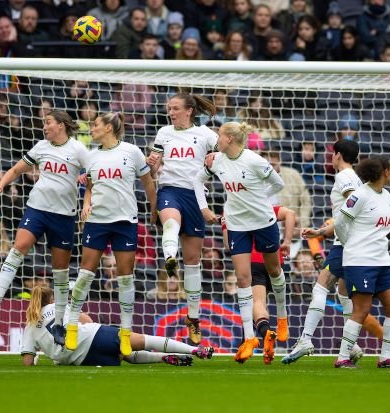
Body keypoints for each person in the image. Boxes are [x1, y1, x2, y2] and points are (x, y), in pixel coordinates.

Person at [0, 110, 88, 348]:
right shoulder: (41, 146)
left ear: (61, 125)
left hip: (64, 216)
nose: (44, 126)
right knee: (19, 246)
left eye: (48, 122)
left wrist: (87, 191)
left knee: (60, 271)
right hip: (37, 208)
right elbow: (17, 169)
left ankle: (59, 323)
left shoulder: (78, 150)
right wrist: (0, 184)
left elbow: (92, 173)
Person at [65, 112, 157, 357]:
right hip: (97, 222)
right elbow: (91, 186)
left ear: (108, 128)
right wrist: (86, 203)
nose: (92, 129)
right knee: (85, 274)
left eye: (95, 125)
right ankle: (72, 324)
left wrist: (154, 209)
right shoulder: (91, 157)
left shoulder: (132, 151)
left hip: (125, 221)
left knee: (125, 278)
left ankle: (126, 333)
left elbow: (148, 182)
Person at [193, 121, 285, 363]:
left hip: (263, 221)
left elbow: (279, 184)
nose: (216, 141)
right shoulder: (217, 161)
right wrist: (204, 208)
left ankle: (283, 317)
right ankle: (249, 339)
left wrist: (257, 197)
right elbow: (196, 181)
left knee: (274, 270)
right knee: (243, 278)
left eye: (219, 136)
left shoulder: (254, 161)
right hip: (236, 225)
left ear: (230, 139)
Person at [282, 139, 365, 365]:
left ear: (337, 155)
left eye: (332, 153)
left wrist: (330, 231)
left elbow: (353, 206)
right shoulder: (355, 177)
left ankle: (306, 339)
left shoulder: (344, 177)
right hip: (352, 242)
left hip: (346, 243)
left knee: (321, 286)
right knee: (344, 292)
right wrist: (321, 232)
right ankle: (353, 346)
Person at [146, 93, 218, 345]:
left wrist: (214, 160)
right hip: (170, 189)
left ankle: (194, 318)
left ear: (189, 111)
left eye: (175, 108)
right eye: (169, 109)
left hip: (195, 195)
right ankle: (168, 256)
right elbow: (153, 168)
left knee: (193, 261)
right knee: (170, 223)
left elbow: (223, 156)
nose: (171, 112)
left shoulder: (207, 135)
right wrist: (152, 163)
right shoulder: (164, 132)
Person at [21, 286, 214, 367]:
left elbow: (28, 360)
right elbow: (86, 321)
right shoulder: (59, 306)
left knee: (125, 356)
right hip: (91, 336)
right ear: (52, 298)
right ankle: (195, 349)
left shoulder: (30, 326)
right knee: (138, 340)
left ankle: (162, 358)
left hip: (80, 359)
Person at [333, 156, 390, 369]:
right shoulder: (359, 195)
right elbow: (340, 222)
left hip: (382, 260)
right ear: (384, 172)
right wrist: (349, 243)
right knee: (361, 309)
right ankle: (342, 358)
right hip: (359, 260)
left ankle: (386, 358)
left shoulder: (386, 195)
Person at [221, 204, 296, 364]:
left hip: (253, 261)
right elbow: (290, 213)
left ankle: (265, 332)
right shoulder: (263, 205)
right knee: (262, 302)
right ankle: (251, 338)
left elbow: (229, 245)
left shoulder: (230, 208)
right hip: (275, 260)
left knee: (257, 302)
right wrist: (287, 241)